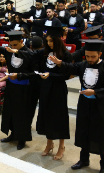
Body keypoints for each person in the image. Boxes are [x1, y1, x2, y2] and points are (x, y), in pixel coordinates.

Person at [49, 39, 104, 173]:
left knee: (101, 133)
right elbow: (71, 67)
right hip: (84, 103)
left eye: (93, 56)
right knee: (84, 130)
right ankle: (84, 159)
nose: (90, 59)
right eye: (88, 56)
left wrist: (95, 92)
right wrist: (59, 63)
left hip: (100, 105)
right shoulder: (83, 64)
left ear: (100, 54)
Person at [33, 26, 72, 160]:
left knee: (59, 117)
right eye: (47, 41)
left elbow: (65, 75)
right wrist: (42, 74)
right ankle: (49, 143)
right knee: (46, 115)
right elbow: (36, 64)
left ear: (58, 40)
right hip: (45, 87)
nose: (49, 44)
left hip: (58, 88)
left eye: (51, 41)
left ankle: (61, 146)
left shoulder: (65, 55)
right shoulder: (45, 53)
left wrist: (50, 75)